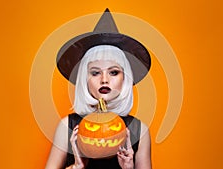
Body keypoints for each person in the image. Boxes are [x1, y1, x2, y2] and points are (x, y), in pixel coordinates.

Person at [46, 9, 152, 169]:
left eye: (114, 72)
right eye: (95, 73)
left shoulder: (139, 130)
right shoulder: (67, 126)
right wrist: (76, 167)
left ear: (125, 79)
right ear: (84, 78)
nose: (104, 79)